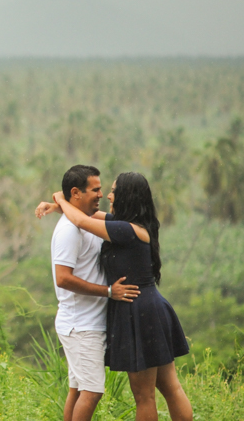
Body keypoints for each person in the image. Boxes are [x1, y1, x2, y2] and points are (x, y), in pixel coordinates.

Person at [47, 171, 192, 421]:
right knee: (170, 387)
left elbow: (82, 222)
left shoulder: (125, 230)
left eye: (113, 190)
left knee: (144, 396)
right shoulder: (134, 225)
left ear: (126, 196)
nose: (108, 196)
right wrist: (58, 205)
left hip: (139, 310)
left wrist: (61, 200)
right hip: (150, 306)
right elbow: (85, 216)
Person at [46, 165, 140, 421]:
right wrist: (109, 291)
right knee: (92, 391)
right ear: (76, 193)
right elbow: (63, 278)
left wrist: (57, 201)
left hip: (86, 322)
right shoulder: (69, 230)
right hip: (81, 325)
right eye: (95, 190)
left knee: (77, 390)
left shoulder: (88, 221)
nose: (100, 195)